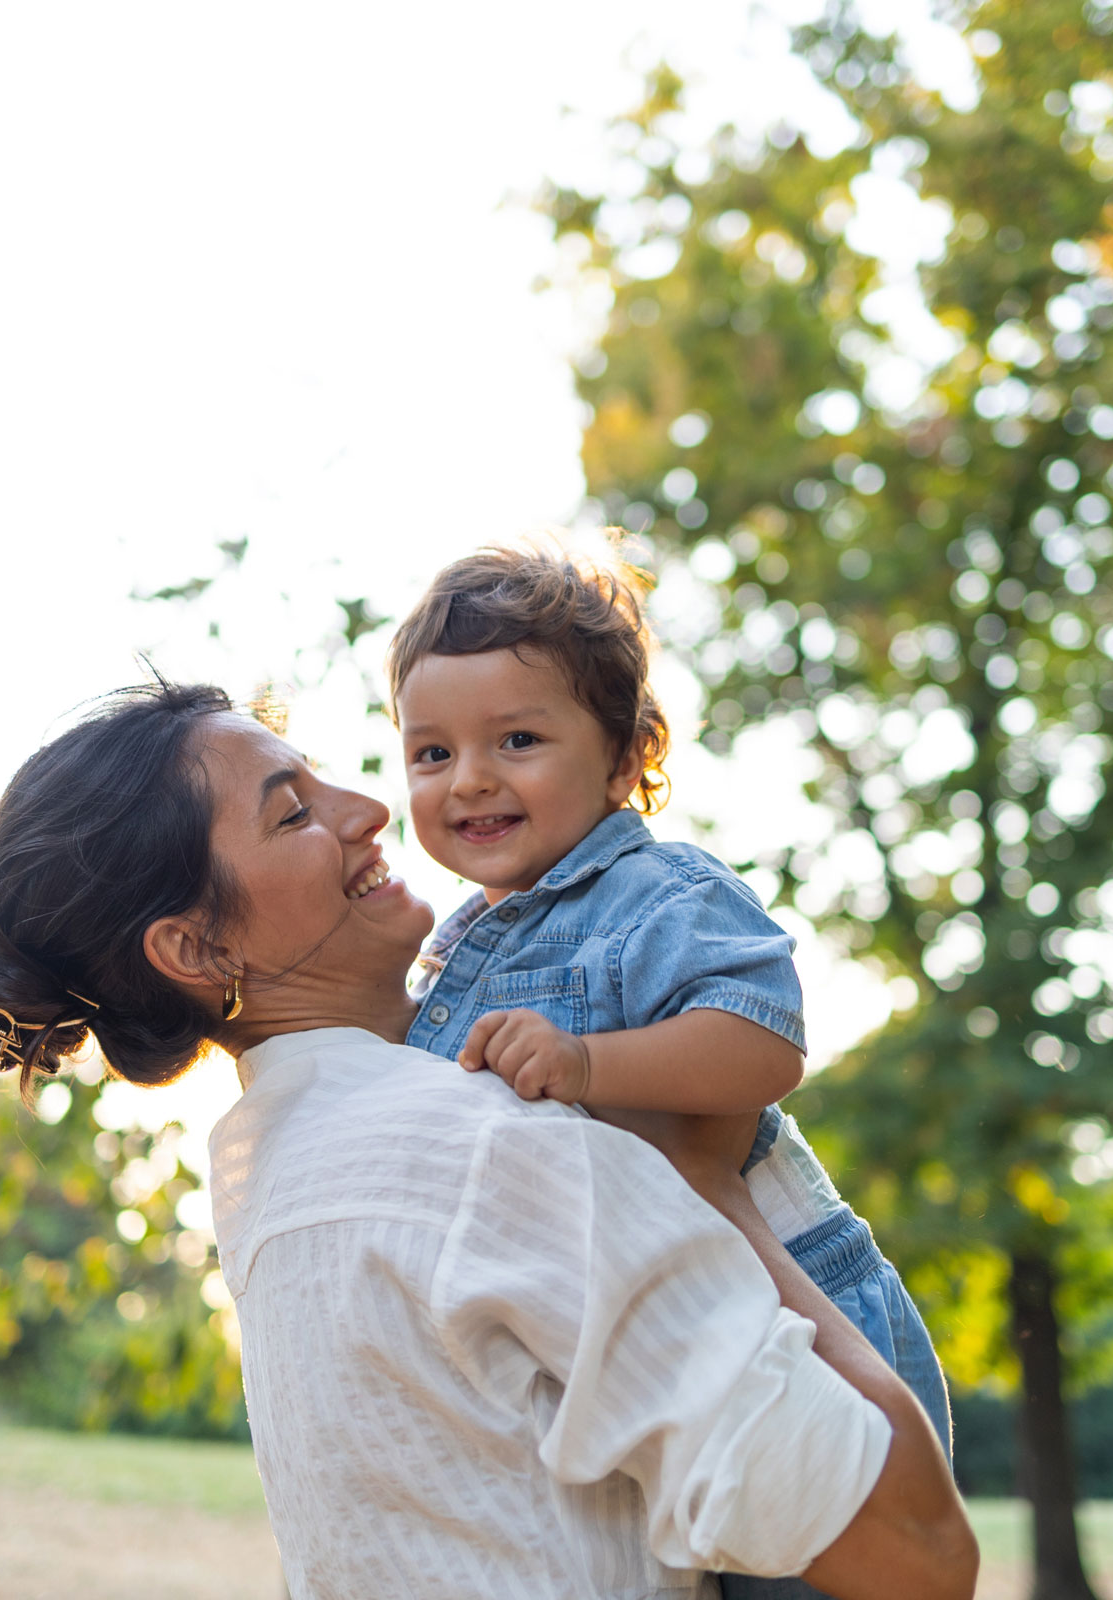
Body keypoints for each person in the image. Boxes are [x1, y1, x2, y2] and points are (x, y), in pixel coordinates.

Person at [0, 682, 977, 1600]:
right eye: (293, 815)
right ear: (198, 946)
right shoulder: (491, 1150)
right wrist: (715, 1186)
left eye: (323, 776)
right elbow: (920, 1556)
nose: (372, 806)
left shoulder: (266, 1185)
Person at [385, 540, 954, 1528]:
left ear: (625, 754)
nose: (469, 779)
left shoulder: (657, 893)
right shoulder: (456, 950)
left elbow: (762, 1044)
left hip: (802, 1317)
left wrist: (590, 1062)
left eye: (516, 740)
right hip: (669, 1334)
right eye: (433, 753)